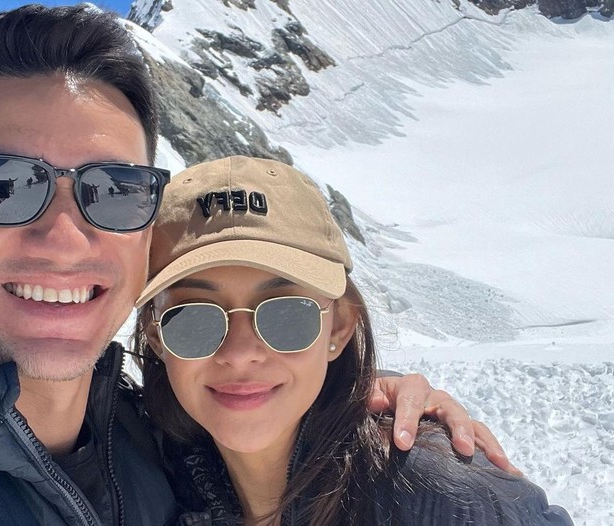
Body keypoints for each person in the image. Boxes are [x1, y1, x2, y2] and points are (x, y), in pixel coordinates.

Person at [0, 4, 514, 525]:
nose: (66, 240)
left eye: (115, 191)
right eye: (1, 186)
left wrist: (364, 406)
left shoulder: (161, 451)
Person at [134, 156, 573, 525]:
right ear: (156, 336)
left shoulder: (441, 500)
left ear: (339, 326)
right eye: (192, 321)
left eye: (286, 315)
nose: (240, 353)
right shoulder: (145, 473)